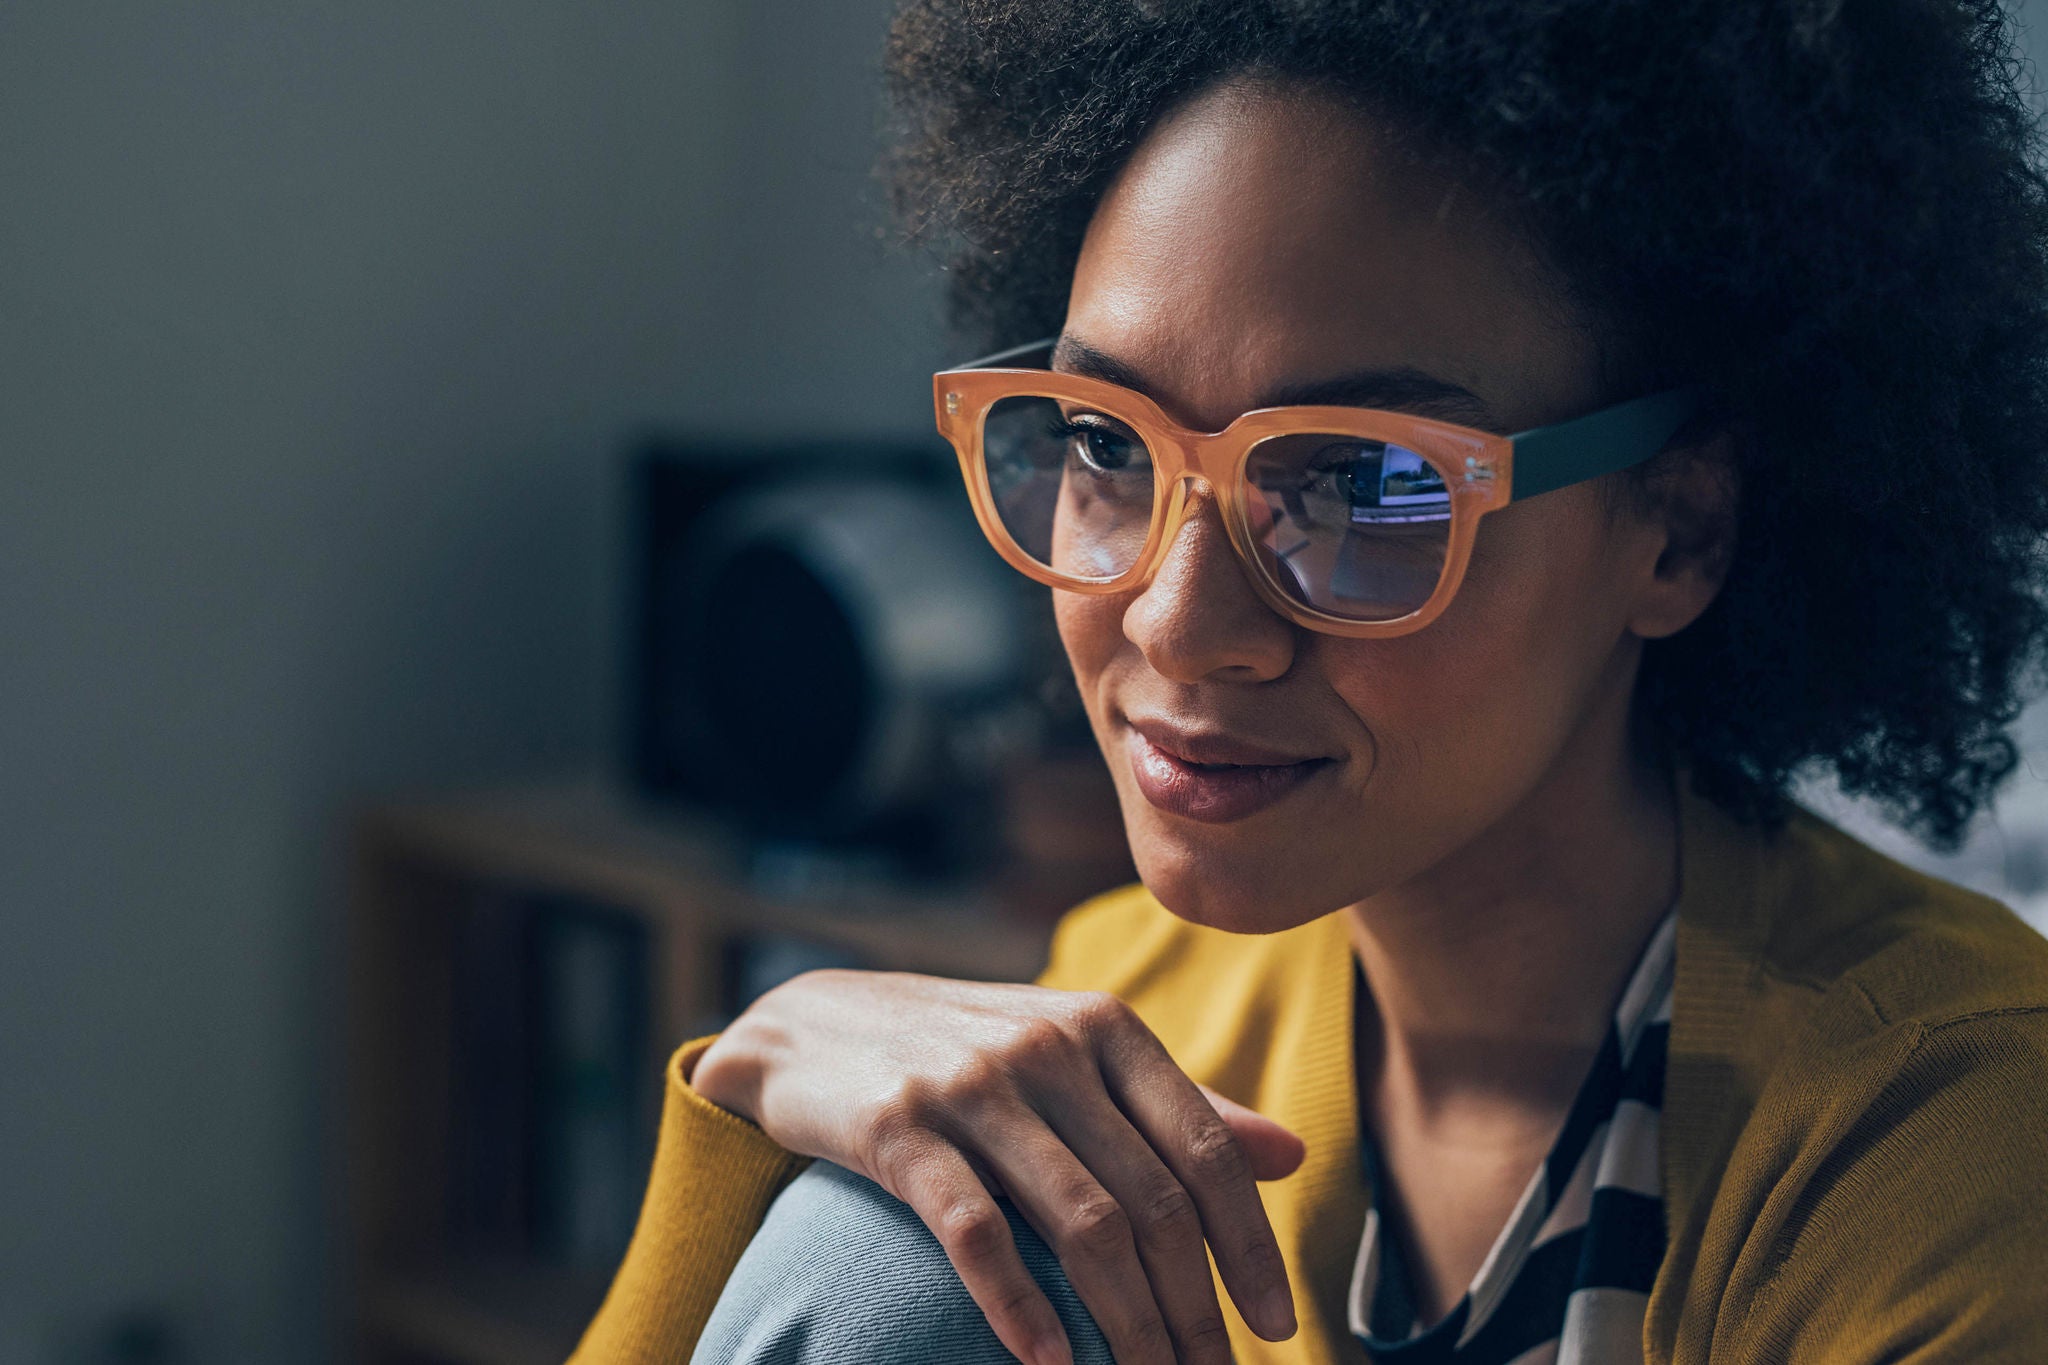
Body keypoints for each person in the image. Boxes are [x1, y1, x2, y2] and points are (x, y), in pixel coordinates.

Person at [572, 0, 2048, 1361]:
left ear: (1677, 528)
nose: (1177, 618)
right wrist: (753, 1096)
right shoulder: (1135, 1006)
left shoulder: (1951, 1134)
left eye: (1364, 484)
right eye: (1103, 444)